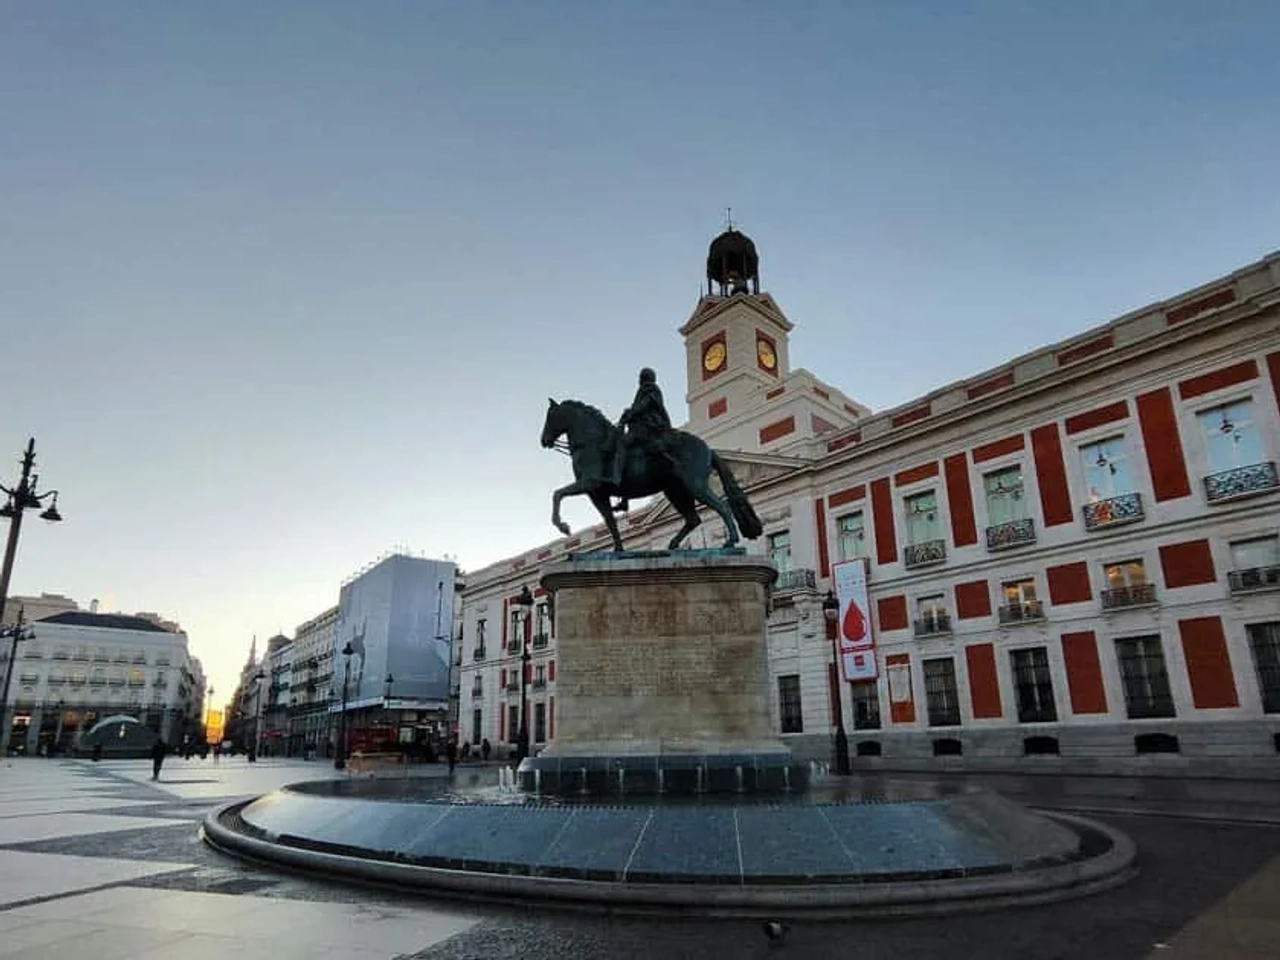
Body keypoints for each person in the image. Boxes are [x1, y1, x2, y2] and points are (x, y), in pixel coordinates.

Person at [609, 367, 674, 513]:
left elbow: (643, 406)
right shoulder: (650, 389)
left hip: (648, 428)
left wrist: (630, 412)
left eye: (641, 376)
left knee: (622, 444)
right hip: (647, 426)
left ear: (644, 377)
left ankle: (616, 478)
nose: (639, 379)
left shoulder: (649, 388)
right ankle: (624, 499)